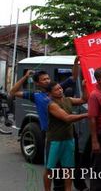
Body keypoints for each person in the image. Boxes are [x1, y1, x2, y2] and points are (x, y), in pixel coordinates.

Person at [10, 57, 87, 191]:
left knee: (72, 163)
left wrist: (76, 63)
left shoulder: (58, 89)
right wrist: (25, 77)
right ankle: (58, 187)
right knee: (53, 167)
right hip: (52, 133)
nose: (47, 81)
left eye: (48, 78)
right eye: (44, 79)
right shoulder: (37, 96)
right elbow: (13, 92)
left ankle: (80, 186)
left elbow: (74, 78)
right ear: (38, 83)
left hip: (68, 132)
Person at [43, 81, 88, 191]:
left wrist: (84, 87)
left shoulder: (68, 100)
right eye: (56, 89)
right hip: (55, 141)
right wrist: (86, 114)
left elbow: (84, 100)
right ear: (50, 93)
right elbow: (67, 118)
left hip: (68, 139)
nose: (60, 90)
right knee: (50, 169)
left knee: (69, 168)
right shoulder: (51, 104)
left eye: (60, 88)